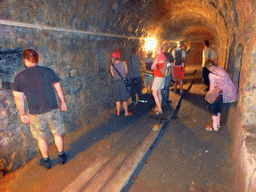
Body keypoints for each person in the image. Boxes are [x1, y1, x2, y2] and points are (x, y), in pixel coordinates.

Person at [12, 49, 68, 169]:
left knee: (41, 137)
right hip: (52, 108)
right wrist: (63, 102)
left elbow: (18, 98)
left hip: (35, 112)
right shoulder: (48, 71)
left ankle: (47, 161)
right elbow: (58, 89)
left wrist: (22, 114)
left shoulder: (20, 77)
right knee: (57, 134)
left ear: (25, 60)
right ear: (36, 59)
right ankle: (62, 157)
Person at [204, 59, 237, 131]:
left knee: (213, 105)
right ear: (214, 64)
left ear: (207, 67)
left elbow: (212, 88)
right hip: (232, 91)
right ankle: (217, 124)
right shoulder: (220, 68)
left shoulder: (211, 74)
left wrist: (208, 96)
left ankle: (215, 126)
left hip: (225, 93)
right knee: (218, 102)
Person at [110, 51, 133, 116]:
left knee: (117, 99)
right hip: (123, 83)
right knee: (124, 99)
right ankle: (126, 112)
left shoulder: (112, 65)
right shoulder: (123, 63)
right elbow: (126, 71)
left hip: (116, 83)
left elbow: (113, 75)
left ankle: (118, 112)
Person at [150, 46, 167, 115]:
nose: (155, 51)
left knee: (154, 92)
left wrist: (154, 67)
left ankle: (159, 109)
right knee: (159, 92)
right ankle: (158, 106)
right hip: (162, 76)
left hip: (158, 77)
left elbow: (152, 67)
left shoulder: (157, 57)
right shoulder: (164, 56)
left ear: (157, 50)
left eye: (155, 50)